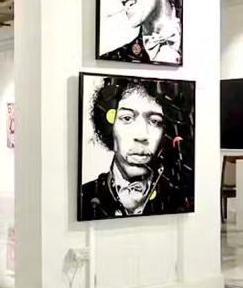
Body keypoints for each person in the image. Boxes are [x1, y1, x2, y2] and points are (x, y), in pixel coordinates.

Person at [80, 77, 193, 219]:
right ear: (109, 126)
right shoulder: (85, 197)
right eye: (127, 118)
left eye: (154, 121)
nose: (141, 136)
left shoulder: (180, 198)